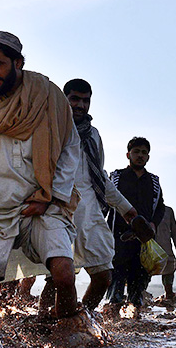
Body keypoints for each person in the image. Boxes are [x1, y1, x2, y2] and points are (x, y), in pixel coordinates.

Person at [0, 32, 99, 338]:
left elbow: (69, 149)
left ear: (18, 62)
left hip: (42, 205)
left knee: (64, 274)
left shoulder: (48, 98)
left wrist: (50, 196)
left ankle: (69, 334)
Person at [53, 79, 153, 313]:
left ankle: (81, 319)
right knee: (57, 277)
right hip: (56, 208)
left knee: (103, 276)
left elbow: (99, 177)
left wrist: (127, 210)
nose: (80, 105)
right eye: (74, 99)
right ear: (64, 99)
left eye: (85, 100)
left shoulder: (93, 135)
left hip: (89, 210)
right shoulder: (52, 127)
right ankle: (49, 323)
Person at [107, 137, 167, 318]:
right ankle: (113, 318)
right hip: (118, 236)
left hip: (144, 239)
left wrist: (153, 224)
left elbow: (160, 207)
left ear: (148, 157)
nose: (140, 156)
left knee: (139, 278)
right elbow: (105, 202)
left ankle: (135, 317)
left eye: (144, 153)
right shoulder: (116, 177)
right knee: (116, 277)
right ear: (128, 155)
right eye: (136, 152)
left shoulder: (154, 181)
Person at [155, 205, 176, 304]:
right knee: (168, 271)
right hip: (156, 248)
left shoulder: (167, 211)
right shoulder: (167, 211)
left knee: (168, 270)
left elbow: (175, 233)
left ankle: (168, 294)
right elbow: (175, 233)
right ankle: (168, 293)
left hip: (161, 248)